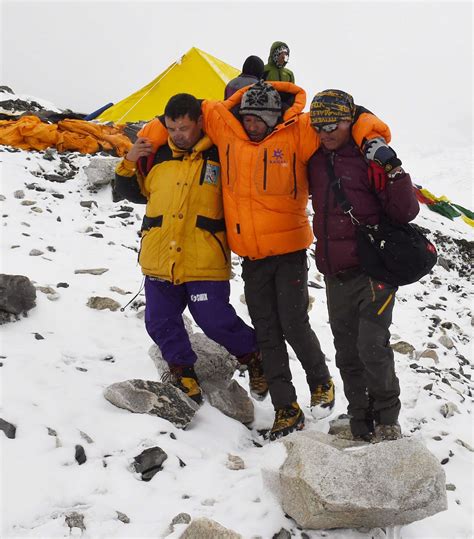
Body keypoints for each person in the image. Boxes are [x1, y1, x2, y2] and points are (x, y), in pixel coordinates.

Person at [139, 81, 392, 440]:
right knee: (267, 333)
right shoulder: (228, 130)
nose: (251, 124)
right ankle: (286, 407)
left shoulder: (298, 132)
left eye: (259, 119)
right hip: (252, 256)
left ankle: (320, 381)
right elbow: (178, 111)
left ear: (275, 117)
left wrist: (374, 139)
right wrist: (148, 142)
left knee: (293, 322)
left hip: (289, 251)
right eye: (247, 117)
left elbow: (351, 115)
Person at [115, 93, 266, 405]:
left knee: (214, 320)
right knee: (159, 321)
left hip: (204, 257)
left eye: (183, 128)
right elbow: (129, 193)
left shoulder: (222, 155)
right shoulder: (155, 156)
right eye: (171, 128)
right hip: (160, 258)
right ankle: (183, 371)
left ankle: (255, 357)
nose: (177, 135)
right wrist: (129, 161)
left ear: (199, 122)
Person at [307, 89, 420, 442]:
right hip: (334, 273)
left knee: (372, 345)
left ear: (349, 121)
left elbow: (406, 211)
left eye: (333, 124)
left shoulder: (368, 157)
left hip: (373, 271)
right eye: (318, 125)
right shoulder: (313, 160)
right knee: (346, 352)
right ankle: (359, 417)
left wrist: (393, 168)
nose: (325, 132)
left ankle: (387, 418)